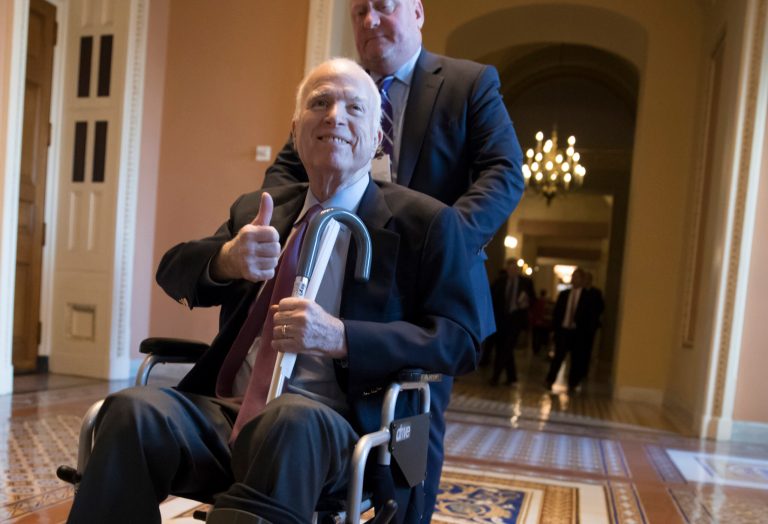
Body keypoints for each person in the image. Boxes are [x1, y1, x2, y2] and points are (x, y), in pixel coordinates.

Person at [65, 58, 480, 524]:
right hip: (227, 412)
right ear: (296, 130)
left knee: (288, 421)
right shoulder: (260, 210)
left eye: (354, 108)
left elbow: (461, 340)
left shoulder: (427, 223)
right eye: (319, 103)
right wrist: (226, 260)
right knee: (130, 410)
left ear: (378, 136)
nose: (334, 116)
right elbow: (172, 270)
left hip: (336, 427)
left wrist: (342, 336)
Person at [262, 1, 524, 515]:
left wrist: (441, 243)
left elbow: (503, 172)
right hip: (342, 276)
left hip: (420, 293)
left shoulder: (468, 84)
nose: (369, 20)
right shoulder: (338, 97)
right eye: (359, 11)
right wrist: (272, 228)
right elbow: (284, 173)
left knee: (409, 441)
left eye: (383, 6)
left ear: (418, 12)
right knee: (312, 418)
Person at [544, 268, 601, 392]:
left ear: (582, 280)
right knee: (558, 357)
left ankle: (572, 383)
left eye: (577, 277)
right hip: (564, 330)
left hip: (578, 333)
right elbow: (557, 313)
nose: (574, 279)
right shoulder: (564, 294)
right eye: (573, 277)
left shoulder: (588, 296)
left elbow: (591, 315)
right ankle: (550, 380)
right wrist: (554, 329)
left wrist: (587, 332)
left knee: (576, 359)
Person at [489, 258, 535, 386]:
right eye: (510, 269)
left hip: (516, 321)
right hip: (500, 321)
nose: (512, 271)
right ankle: (512, 377)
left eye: (515, 269)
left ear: (518, 270)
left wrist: (526, 302)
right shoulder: (499, 282)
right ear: (506, 269)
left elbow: (533, 299)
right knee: (502, 348)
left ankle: (495, 377)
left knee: (507, 348)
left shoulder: (526, 283)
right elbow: (491, 298)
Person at [529, 289, 553, 355]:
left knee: (536, 337)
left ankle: (536, 350)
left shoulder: (536, 301)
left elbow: (533, 312)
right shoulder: (547, 303)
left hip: (537, 322)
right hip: (543, 323)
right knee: (542, 337)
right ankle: (540, 349)